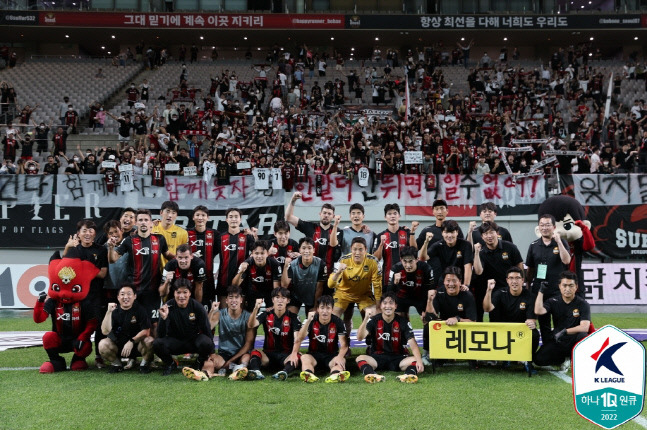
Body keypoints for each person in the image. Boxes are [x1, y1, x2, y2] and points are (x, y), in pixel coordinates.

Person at [108, 209, 173, 328]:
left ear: (151, 223)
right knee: (133, 324)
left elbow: (168, 256)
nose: (143, 222)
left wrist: (185, 259)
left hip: (153, 292)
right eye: (140, 220)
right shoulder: (129, 241)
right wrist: (111, 248)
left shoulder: (159, 239)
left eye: (146, 220)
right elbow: (113, 259)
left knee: (154, 325)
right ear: (136, 223)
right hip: (134, 292)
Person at [183, 286, 255, 381]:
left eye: (236, 297)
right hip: (224, 354)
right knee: (210, 360)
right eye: (231, 297)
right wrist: (212, 311)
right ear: (226, 300)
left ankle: (238, 371)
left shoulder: (248, 317)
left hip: (241, 354)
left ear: (241, 300)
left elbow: (248, 344)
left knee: (246, 358)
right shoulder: (220, 314)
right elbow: (207, 327)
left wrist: (230, 361)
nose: (234, 300)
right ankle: (204, 374)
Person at [61, 220, 108, 367]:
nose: (87, 234)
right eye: (84, 231)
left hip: (96, 296)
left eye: (91, 231)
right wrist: (67, 247)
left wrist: (82, 271)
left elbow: (103, 273)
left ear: (95, 233)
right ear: (78, 234)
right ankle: (79, 356)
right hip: (77, 297)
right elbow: (64, 270)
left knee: (100, 326)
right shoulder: (74, 250)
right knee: (79, 327)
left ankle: (99, 356)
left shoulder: (101, 250)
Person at [355, 292, 424, 383]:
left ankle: (408, 375)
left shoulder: (403, 322)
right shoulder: (374, 320)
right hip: (377, 358)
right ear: (380, 306)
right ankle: (372, 375)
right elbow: (360, 337)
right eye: (385, 303)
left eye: (391, 303)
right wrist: (365, 319)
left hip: (398, 358)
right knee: (360, 358)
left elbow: (413, 344)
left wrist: (419, 361)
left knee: (416, 359)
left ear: (396, 306)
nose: (388, 306)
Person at [483, 267, 539, 374]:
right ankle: (504, 357)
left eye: (518, 278)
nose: (514, 281)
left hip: (520, 332)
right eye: (511, 278)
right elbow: (487, 308)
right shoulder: (499, 293)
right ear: (507, 280)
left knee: (534, 334)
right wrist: (489, 290)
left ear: (522, 280)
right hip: (501, 331)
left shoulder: (530, 296)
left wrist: (531, 323)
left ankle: (527, 361)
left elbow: (531, 320)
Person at [153, 278, 214, 375]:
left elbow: (206, 329)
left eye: (185, 292)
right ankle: (171, 363)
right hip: (175, 342)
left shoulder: (197, 306)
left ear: (190, 293)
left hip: (192, 341)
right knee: (156, 344)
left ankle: (198, 362)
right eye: (178, 292)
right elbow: (160, 335)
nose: (181, 296)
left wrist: (210, 352)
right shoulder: (168, 306)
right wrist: (164, 319)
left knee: (206, 342)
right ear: (174, 293)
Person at [526, 214, 571, 342]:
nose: (544, 228)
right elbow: (530, 269)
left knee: (560, 323)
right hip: (540, 291)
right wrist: (529, 285)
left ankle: (561, 353)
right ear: (538, 227)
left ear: (554, 227)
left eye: (547, 225)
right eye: (542, 225)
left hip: (557, 290)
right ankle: (547, 351)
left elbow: (566, 260)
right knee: (544, 323)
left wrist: (558, 242)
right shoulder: (534, 245)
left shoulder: (561, 242)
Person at [533, 271, 590, 370]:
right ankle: (563, 359)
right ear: (559, 286)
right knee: (538, 360)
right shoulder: (553, 301)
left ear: (576, 287)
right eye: (564, 285)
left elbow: (585, 327)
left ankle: (576, 358)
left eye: (571, 286)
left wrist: (565, 331)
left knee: (583, 335)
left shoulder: (583, 304)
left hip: (573, 340)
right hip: (558, 340)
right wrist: (541, 291)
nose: (567, 289)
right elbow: (538, 311)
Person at [387, 245, 435, 362]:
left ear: (417, 259)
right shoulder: (395, 269)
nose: (408, 265)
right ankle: (401, 348)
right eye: (405, 261)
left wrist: (428, 306)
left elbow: (431, 289)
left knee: (427, 320)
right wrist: (394, 282)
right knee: (398, 322)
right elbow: (389, 292)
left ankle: (427, 352)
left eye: (411, 261)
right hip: (402, 297)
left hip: (420, 297)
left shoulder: (426, 268)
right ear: (401, 260)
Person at [285, 192, 337, 294]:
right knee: (310, 307)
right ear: (320, 214)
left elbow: (336, 243)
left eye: (329, 214)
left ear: (333, 216)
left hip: (328, 278)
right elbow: (288, 217)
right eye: (324, 213)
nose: (326, 215)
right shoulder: (310, 227)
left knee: (326, 308)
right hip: (310, 277)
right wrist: (293, 200)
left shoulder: (337, 231)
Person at [246, 287, 302, 381]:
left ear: (288, 301)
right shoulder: (265, 314)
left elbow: (297, 338)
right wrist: (256, 308)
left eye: (283, 298)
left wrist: (293, 354)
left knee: (298, 355)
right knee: (255, 352)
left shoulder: (294, 317)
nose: (280, 301)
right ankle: (256, 371)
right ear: (272, 300)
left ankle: (284, 372)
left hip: (285, 356)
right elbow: (251, 325)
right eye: (277, 297)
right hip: (268, 355)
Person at [473, 221, 524, 322]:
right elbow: (478, 271)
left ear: (497, 233)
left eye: (491, 232)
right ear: (482, 237)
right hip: (492, 292)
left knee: (513, 318)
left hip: (510, 290)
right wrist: (476, 253)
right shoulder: (481, 252)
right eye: (485, 234)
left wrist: (520, 283)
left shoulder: (510, 247)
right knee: (495, 320)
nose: (489, 236)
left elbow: (519, 265)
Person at [329, 237, 381, 333]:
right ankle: (343, 343)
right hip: (343, 294)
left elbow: (377, 286)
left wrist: (378, 307)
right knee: (333, 317)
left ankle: (370, 344)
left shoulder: (373, 261)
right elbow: (330, 285)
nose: (357, 252)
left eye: (360, 249)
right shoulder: (343, 260)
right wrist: (338, 272)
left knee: (373, 315)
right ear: (351, 249)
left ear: (365, 250)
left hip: (364, 294)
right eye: (355, 249)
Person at [429, 266, 478, 368]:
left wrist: (458, 319)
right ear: (444, 281)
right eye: (448, 281)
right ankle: (433, 355)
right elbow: (431, 317)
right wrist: (429, 301)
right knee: (427, 327)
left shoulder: (467, 295)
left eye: (454, 281)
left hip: (464, 330)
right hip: (445, 328)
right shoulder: (439, 293)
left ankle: (472, 357)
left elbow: (473, 322)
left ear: (460, 282)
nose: (451, 284)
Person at [99, 285, 154, 374]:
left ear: (135, 296)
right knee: (103, 344)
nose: (125, 297)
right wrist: (108, 312)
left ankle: (144, 365)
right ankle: (117, 365)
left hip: (136, 346)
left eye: (129, 294)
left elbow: (146, 331)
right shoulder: (113, 311)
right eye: (122, 294)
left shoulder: (140, 310)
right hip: (118, 347)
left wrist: (131, 341)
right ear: (118, 297)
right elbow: (105, 331)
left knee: (150, 341)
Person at [297, 295, 350, 383]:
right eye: (322, 308)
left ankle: (334, 376)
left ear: (332, 309)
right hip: (313, 355)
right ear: (317, 309)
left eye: (328, 308)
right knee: (305, 357)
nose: (325, 311)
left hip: (331, 356)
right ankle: (309, 375)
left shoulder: (338, 322)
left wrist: (340, 357)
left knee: (341, 360)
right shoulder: (310, 320)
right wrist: (308, 321)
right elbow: (300, 338)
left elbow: (344, 345)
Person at [214, 207, 256, 307]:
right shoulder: (220, 238)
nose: (233, 219)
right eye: (231, 217)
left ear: (240, 219)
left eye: (236, 217)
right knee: (224, 315)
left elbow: (256, 253)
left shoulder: (247, 236)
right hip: (224, 281)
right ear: (226, 219)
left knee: (240, 315)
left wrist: (247, 261)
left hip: (242, 281)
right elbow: (210, 255)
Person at [373, 203, 418, 288]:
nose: (392, 216)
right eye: (389, 214)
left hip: (407, 277)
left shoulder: (407, 232)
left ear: (399, 216)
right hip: (387, 278)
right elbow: (376, 259)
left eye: (395, 213)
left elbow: (415, 250)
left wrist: (412, 232)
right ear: (385, 217)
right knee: (388, 301)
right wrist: (381, 245)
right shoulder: (380, 236)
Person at [420, 220, 473, 289]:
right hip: (445, 281)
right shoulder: (438, 245)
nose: (449, 235)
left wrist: (466, 285)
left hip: (460, 281)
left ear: (457, 232)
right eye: (446, 232)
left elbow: (468, 266)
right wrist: (426, 242)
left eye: (452, 232)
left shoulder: (465, 245)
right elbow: (423, 258)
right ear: (442, 233)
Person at [232, 240, 281, 311]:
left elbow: (276, 288)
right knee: (250, 317)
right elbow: (235, 285)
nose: (259, 256)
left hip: (269, 293)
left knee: (272, 315)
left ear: (267, 253)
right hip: (252, 293)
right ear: (252, 254)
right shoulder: (246, 264)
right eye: (256, 253)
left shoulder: (274, 264)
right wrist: (240, 272)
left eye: (262, 253)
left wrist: (274, 304)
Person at [282, 237, 326, 315]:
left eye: (309, 248)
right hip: (296, 295)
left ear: (314, 250)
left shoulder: (320, 264)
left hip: (312, 296)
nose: (306, 251)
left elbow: (319, 288)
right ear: (299, 250)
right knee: (290, 316)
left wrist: (316, 306)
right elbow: (284, 285)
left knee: (312, 318)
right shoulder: (292, 264)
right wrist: (285, 267)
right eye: (304, 248)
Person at [187, 205, 219, 308]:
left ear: (207, 218)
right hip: (189, 280)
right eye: (197, 215)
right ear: (193, 217)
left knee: (208, 313)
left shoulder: (215, 234)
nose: (200, 218)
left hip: (208, 280)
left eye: (203, 215)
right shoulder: (186, 233)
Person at [151, 200, 187, 268]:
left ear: (176, 215)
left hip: (173, 270)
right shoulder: (151, 228)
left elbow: (183, 255)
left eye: (173, 213)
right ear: (161, 212)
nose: (170, 215)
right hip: (153, 270)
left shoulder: (183, 233)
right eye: (167, 211)